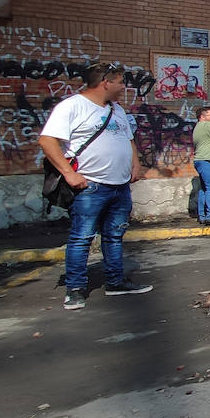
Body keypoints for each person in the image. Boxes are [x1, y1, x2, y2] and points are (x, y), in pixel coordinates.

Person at [39, 62, 152, 310]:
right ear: (105, 83)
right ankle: (75, 289)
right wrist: (69, 174)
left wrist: (135, 164)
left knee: (114, 236)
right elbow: (47, 141)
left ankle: (115, 282)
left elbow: (128, 139)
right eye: (120, 82)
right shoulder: (72, 106)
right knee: (82, 238)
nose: (123, 87)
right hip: (90, 186)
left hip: (119, 186)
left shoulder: (117, 110)